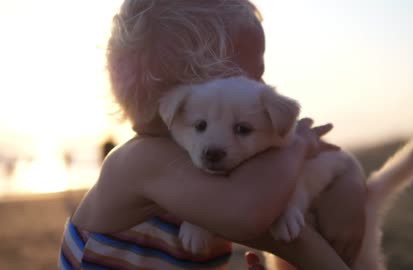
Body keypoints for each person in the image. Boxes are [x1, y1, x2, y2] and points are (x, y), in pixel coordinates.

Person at [59, 1, 366, 269]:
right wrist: (298, 145)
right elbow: (252, 215)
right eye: (255, 74)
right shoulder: (140, 161)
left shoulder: (209, 151)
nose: (262, 84)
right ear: (206, 89)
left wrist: (350, 184)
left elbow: (307, 175)